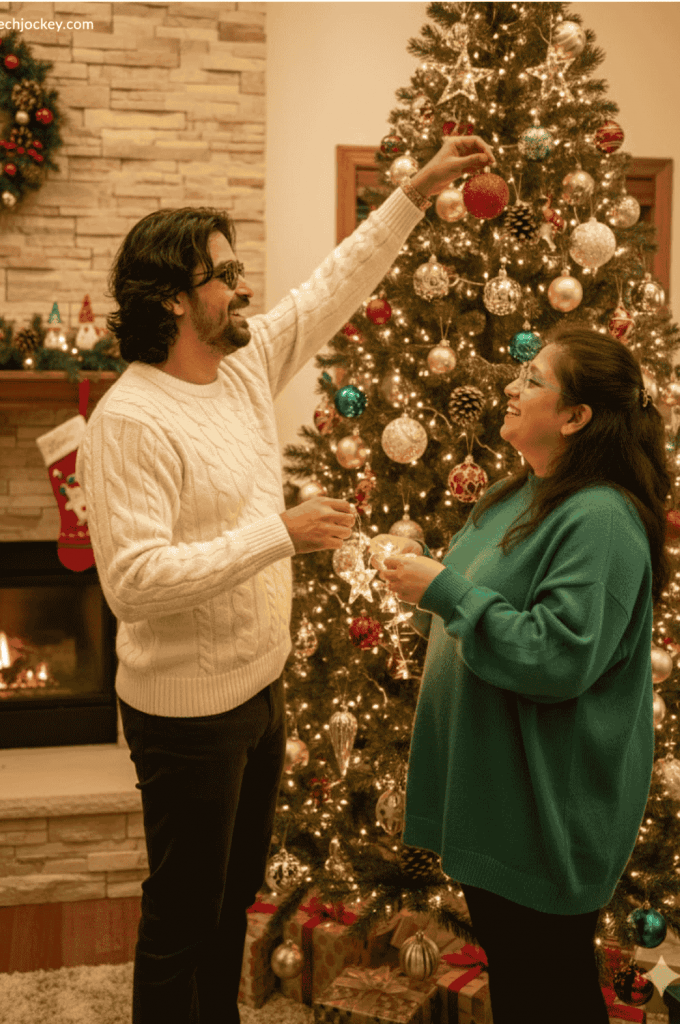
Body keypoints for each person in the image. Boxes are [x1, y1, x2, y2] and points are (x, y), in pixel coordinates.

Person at [76, 132, 496, 1024]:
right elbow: (135, 584)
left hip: (259, 693)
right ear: (175, 300)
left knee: (231, 906)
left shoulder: (240, 364)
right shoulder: (129, 421)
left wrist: (412, 192)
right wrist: (280, 533)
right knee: (183, 917)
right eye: (224, 273)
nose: (244, 285)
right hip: (187, 715)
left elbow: (331, 286)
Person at [378, 326, 674, 1024]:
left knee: (550, 994)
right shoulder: (516, 495)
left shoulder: (599, 518)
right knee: (521, 986)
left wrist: (444, 591)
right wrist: (418, 579)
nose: (512, 386)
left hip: (544, 812)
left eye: (534, 379)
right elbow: (469, 613)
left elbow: (555, 656)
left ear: (574, 418)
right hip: (493, 800)